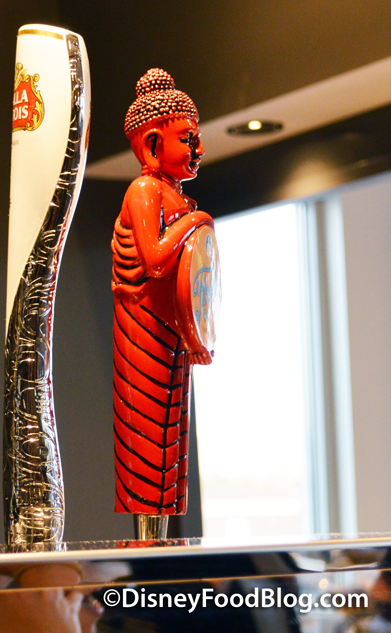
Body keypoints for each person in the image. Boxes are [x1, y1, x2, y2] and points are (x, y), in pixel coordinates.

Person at [112, 68, 214, 521]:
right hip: (144, 331)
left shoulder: (172, 194)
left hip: (171, 332)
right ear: (153, 145)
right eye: (188, 139)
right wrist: (197, 220)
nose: (199, 150)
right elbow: (154, 258)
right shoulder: (144, 189)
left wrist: (196, 335)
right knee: (148, 446)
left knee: (174, 444)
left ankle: (163, 535)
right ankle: (145, 540)